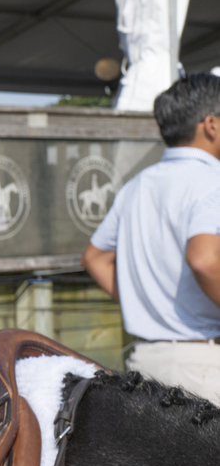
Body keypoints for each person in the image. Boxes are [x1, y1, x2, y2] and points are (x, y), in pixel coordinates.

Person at [82, 73, 220, 402]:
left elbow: (94, 258)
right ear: (211, 125)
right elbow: (204, 260)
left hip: (144, 366)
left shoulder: (136, 186)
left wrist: (144, 304)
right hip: (205, 366)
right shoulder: (213, 180)